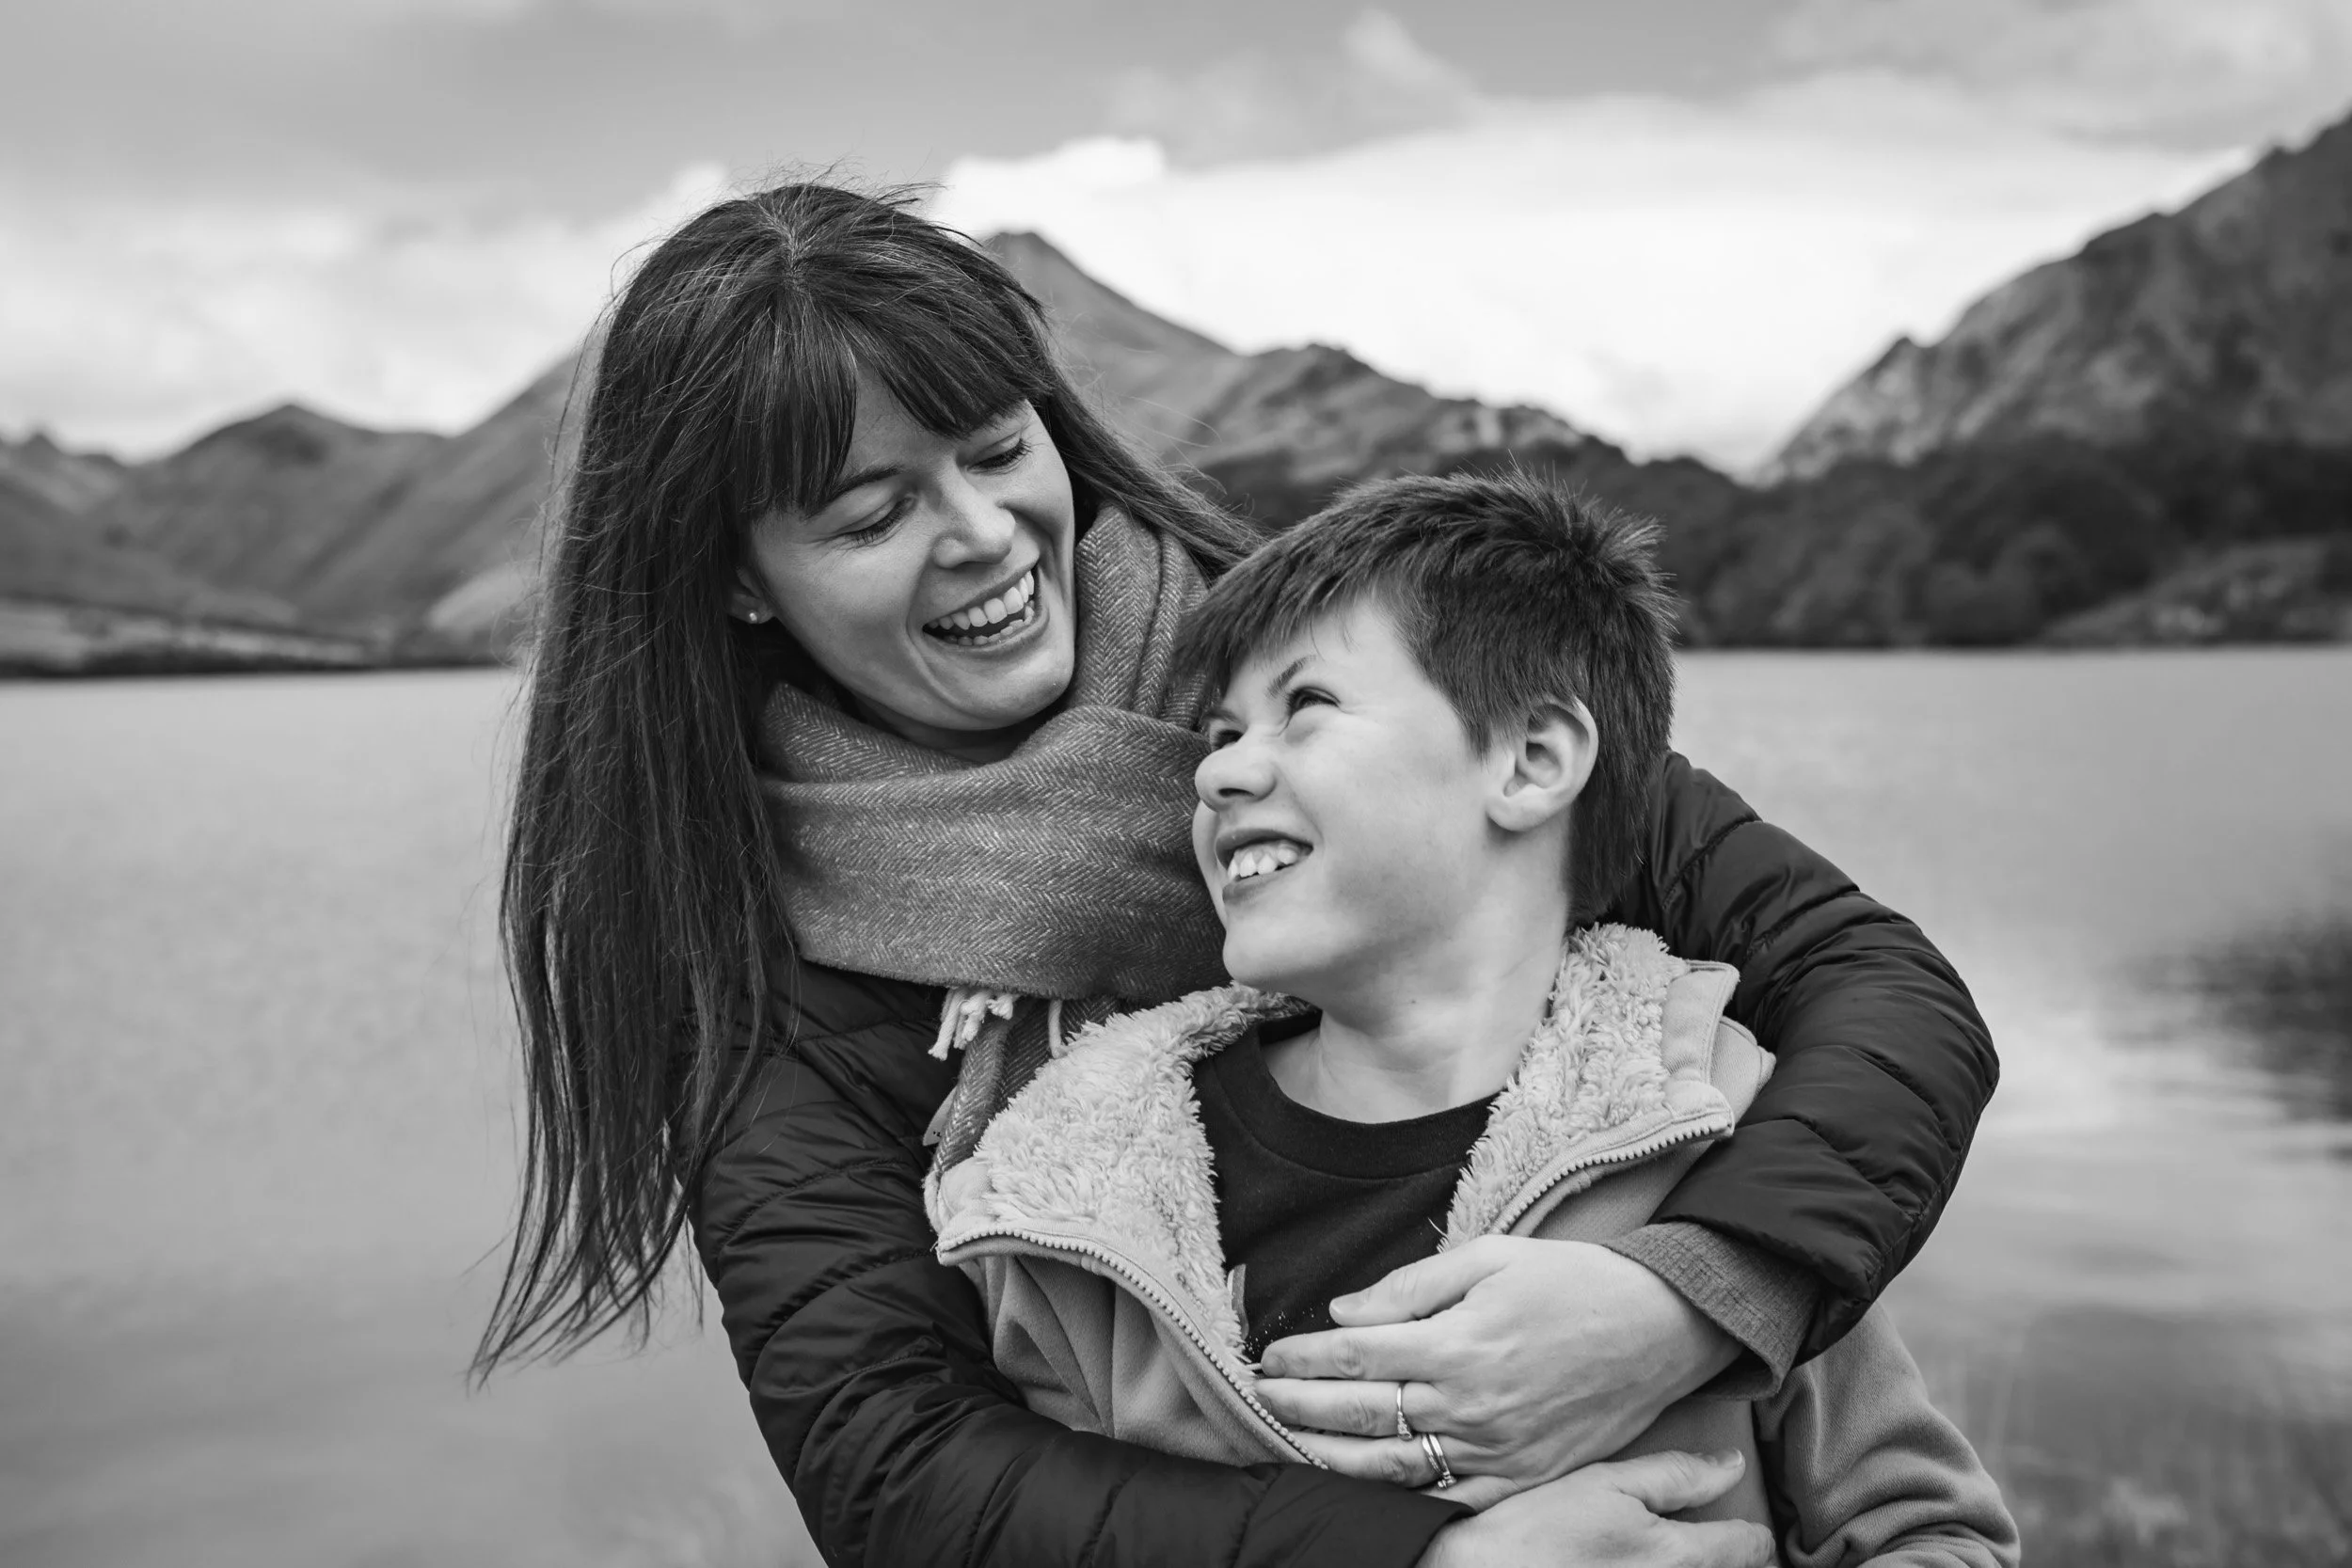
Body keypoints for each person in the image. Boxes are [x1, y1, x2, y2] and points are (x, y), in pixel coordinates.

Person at [477, 182, 2001, 1568]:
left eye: (1002, 448)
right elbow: (897, 1466)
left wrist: (1691, 1299)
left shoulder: (1387, 683)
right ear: (740, 576)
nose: (983, 534)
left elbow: (1881, 994)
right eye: (873, 514)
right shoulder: (778, 984)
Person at [928, 470, 2020, 1568]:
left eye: (1305, 705)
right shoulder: (1070, 1203)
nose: (1217, 768)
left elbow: (1932, 1533)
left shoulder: (1706, 1117)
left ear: (1532, 761)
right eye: (1219, 729)